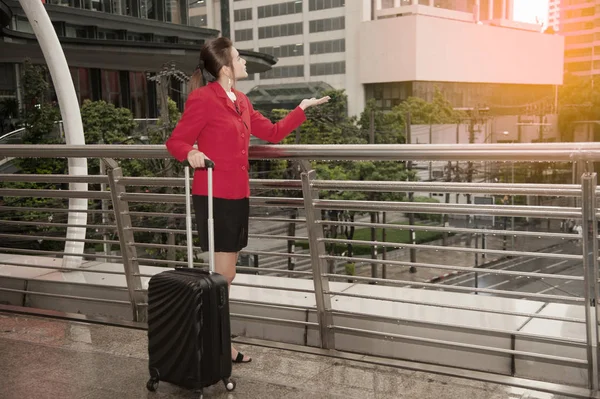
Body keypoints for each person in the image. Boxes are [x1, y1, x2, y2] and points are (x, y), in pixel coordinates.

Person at [165, 37, 330, 364]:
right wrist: (192, 152)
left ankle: (209, 339)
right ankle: (212, 341)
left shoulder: (241, 100)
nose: (244, 63)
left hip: (238, 196)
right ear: (225, 68)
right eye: (239, 59)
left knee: (227, 276)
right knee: (222, 277)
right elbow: (177, 141)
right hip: (214, 196)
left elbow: (272, 133)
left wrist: (301, 109)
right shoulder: (203, 100)